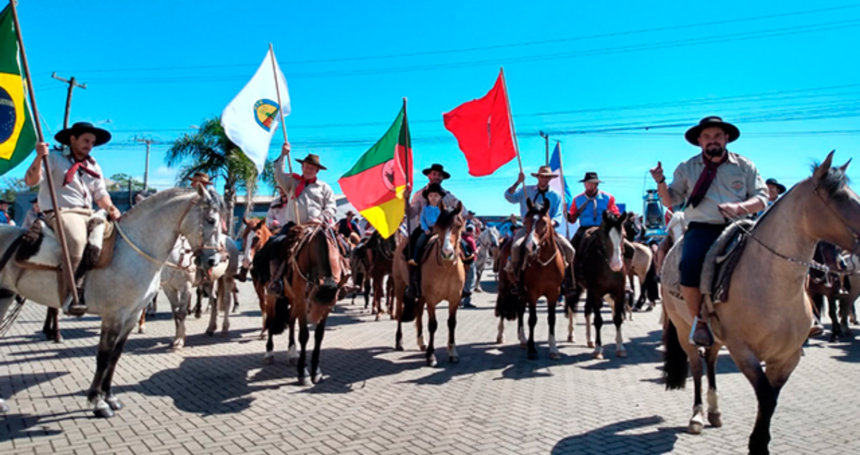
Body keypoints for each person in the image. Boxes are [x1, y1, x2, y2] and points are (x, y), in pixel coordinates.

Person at [650, 116, 767, 347]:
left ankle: (796, 312)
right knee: (689, 265)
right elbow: (670, 200)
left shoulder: (745, 166)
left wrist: (739, 207)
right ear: (699, 141)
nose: (712, 140)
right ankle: (699, 322)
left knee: (778, 256)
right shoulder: (687, 168)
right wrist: (660, 181)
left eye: (717, 136)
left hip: (741, 226)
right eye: (706, 136)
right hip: (702, 228)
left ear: (726, 138)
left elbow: (762, 198)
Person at [24, 122, 121, 315]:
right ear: (72, 139)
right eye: (86, 140)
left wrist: (111, 208)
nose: (89, 145)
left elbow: (100, 195)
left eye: (92, 142)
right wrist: (38, 157)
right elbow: (31, 181)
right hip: (62, 212)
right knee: (77, 240)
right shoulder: (52, 158)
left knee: (116, 238)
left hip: (89, 213)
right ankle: (72, 294)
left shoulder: (93, 166)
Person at [266, 142, 337, 294]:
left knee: (338, 244)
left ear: (317, 170)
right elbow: (278, 174)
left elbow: (331, 206)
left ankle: (338, 277)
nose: (308, 169)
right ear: (302, 167)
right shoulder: (292, 182)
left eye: (312, 167)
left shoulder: (324, 187)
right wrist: (283, 154)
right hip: (294, 225)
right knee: (275, 243)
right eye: (306, 166)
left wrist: (322, 218)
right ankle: (276, 279)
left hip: (317, 226)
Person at [504, 165, 575, 295]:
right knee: (515, 247)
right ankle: (517, 280)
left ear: (550, 179)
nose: (544, 179)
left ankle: (567, 281)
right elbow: (509, 196)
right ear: (538, 177)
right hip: (528, 227)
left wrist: (550, 223)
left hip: (547, 228)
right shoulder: (526, 190)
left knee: (570, 250)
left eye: (547, 177)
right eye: (542, 176)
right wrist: (517, 182)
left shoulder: (556, 196)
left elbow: (558, 214)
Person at [406, 164, 464, 298]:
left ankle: (463, 283)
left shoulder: (448, 196)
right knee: (410, 249)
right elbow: (412, 213)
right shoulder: (419, 194)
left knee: (466, 249)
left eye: (439, 175)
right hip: (423, 229)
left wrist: (461, 221)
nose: (436, 177)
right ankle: (414, 282)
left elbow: (461, 210)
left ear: (442, 178)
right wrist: (405, 200)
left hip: (445, 230)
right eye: (434, 174)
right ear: (429, 175)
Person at [566, 171, 621, 255]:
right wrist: (567, 215)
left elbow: (616, 214)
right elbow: (572, 219)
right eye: (587, 183)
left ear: (596, 184)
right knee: (571, 250)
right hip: (584, 229)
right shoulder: (577, 199)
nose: (589, 185)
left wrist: (612, 216)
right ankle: (572, 267)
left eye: (591, 183)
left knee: (623, 247)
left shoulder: (608, 198)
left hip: (603, 229)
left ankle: (622, 266)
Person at [407, 183, 445, 297]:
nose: (433, 198)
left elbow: (443, 221)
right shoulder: (425, 208)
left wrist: (440, 229)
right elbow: (422, 219)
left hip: (439, 231)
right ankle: (416, 258)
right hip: (427, 230)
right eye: (431, 195)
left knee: (450, 243)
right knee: (420, 242)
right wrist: (426, 229)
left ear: (440, 197)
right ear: (428, 197)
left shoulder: (442, 210)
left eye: (436, 196)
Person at [460, 224, 478, 308]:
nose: (474, 233)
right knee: (471, 280)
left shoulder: (461, 238)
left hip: (461, 263)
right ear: (470, 232)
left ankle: (460, 299)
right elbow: (475, 252)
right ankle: (467, 300)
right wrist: (479, 248)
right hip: (470, 262)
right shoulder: (470, 240)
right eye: (473, 232)